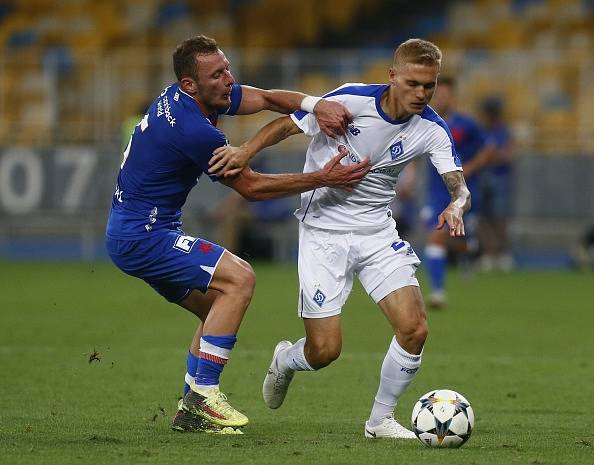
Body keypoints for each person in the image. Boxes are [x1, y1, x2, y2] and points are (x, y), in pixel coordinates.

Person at [104, 35, 369, 435]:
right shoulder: (195, 130)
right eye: (218, 74)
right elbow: (251, 188)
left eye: (227, 68)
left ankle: (191, 410)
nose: (229, 79)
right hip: (144, 235)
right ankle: (204, 395)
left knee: (217, 309)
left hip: (134, 230)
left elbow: (264, 98)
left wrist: (316, 104)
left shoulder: (195, 96)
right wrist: (323, 178)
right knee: (240, 277)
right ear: (190, 84)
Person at [209, 39, 471, 438]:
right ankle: (286, 359)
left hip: (377, 233)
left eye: (429, 86)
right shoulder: (350, 100)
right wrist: (245, 151)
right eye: (413, 83)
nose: (421, 93)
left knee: (414, 328)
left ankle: (379, 420)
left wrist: (456, 204)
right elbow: (288, 122)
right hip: (323, 233)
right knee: (324, 352)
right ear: (392, 76)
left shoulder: (431, 128)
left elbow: (459, 185)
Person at [421, 76, 495, 308]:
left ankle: (468, 253)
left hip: (462, 192)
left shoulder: (466, 124)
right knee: (436, 236)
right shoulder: (424, 121)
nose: (442, 98)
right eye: (438, 94)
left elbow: (490, 147)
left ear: (453, 96)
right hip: (436, 192)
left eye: (446, 94)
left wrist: (469, 169)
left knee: (459, 239)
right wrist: (409, 175)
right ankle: (437, 292)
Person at [477, 96, 514, 272]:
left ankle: (502, 254)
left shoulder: (502, 131)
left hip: (498, 179)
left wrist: (488, 157)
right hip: (482, 178)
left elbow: (507, 156)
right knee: (484, 219)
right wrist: (490, 157)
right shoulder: (480, 131)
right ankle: (488, 254)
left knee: (499, 219)